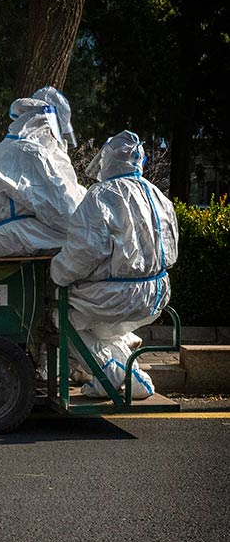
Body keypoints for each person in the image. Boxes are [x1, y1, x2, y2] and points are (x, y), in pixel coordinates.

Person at [50, 131, 178, 399]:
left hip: (113, 296)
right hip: (156, 294)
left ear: (106, 160)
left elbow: (83, 253)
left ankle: (107, 371)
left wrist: (57, 273)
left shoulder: (101, 196)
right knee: (103, 326)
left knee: (63, 316)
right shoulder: (156, 194)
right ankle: (135, 378)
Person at [0, 95, 86, 257]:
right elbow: (61, 213)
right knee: (85, 242)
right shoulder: (31, 152)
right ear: (49, 126)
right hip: (4, 234)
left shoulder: (4, 149)